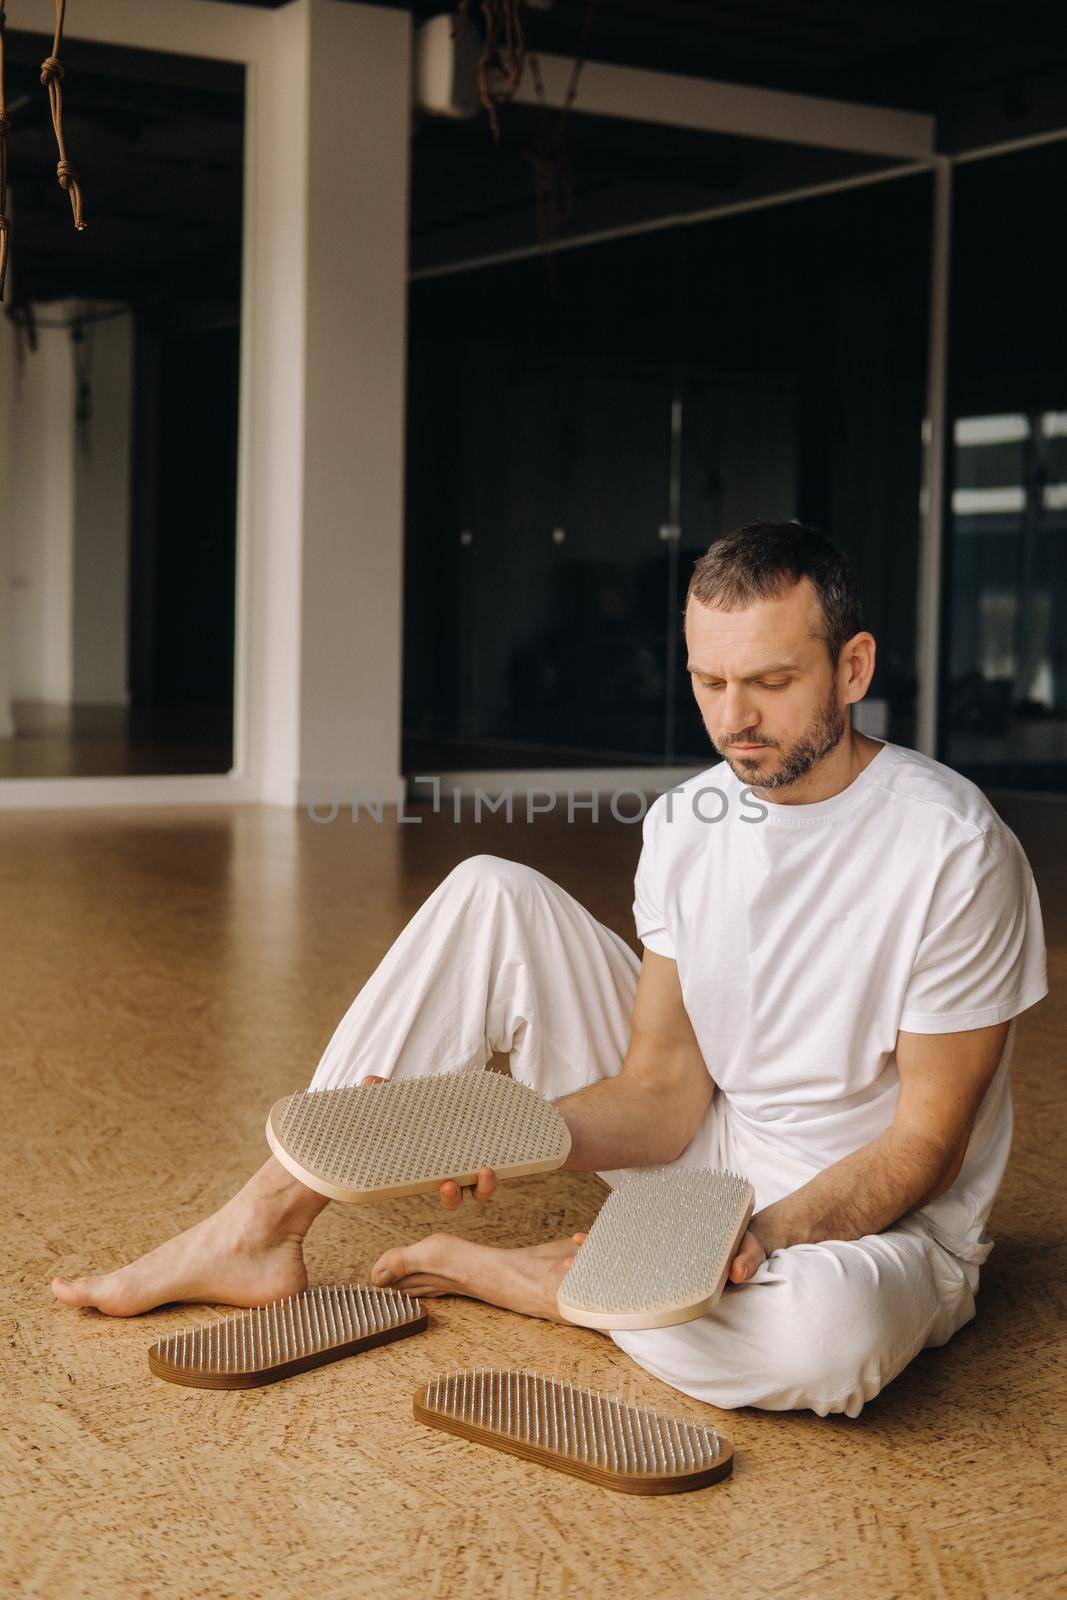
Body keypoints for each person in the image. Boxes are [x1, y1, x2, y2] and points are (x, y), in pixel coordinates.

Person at [52, 521, 1047, 1418]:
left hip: (868, 1227)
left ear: (852, 666)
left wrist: (753, 1235)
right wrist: (491, 1130)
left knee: (826, 1342)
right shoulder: (687, 824)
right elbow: (661, 1092)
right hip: (709, 1151)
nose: (734, 717)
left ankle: (555, 1284)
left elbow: (925, 1145)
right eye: (708, 681)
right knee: (489, 890)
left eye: (771, 682)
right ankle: (260, 1225)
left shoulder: (951, 849)